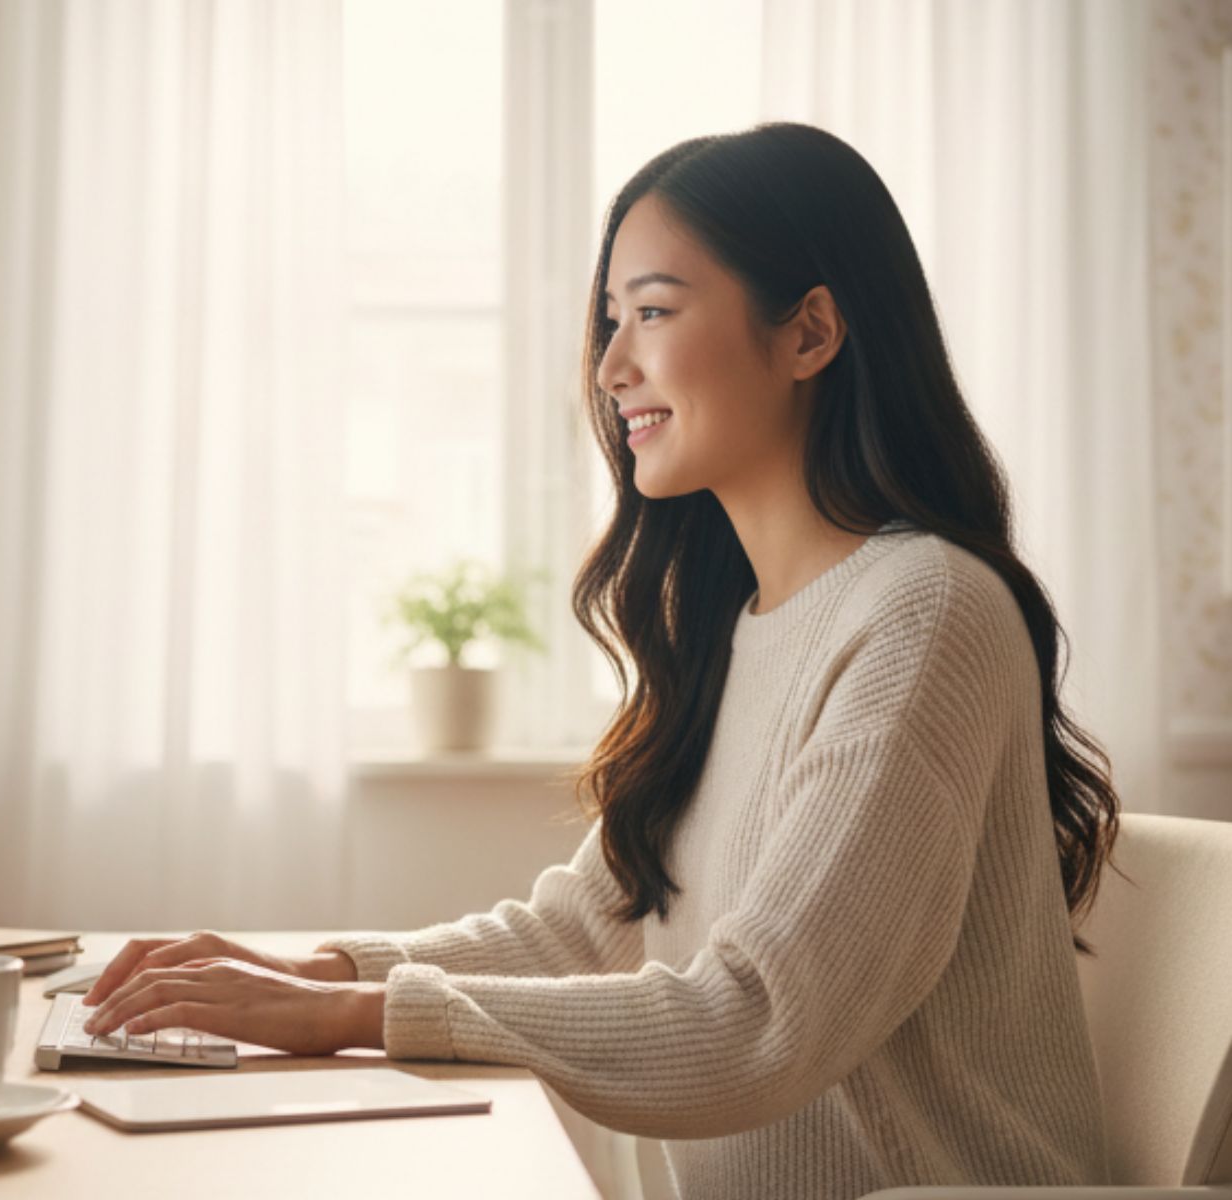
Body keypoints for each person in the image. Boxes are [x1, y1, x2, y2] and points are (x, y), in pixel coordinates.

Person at [77, 122, 1117, 1198]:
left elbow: (758, 1020)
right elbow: (590, 927)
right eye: (610, 319)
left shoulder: (922, 613)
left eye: (654, 312)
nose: (611, 366)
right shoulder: (736, 622)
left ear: (808, 333)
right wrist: (323, 972)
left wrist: (352, 1017)